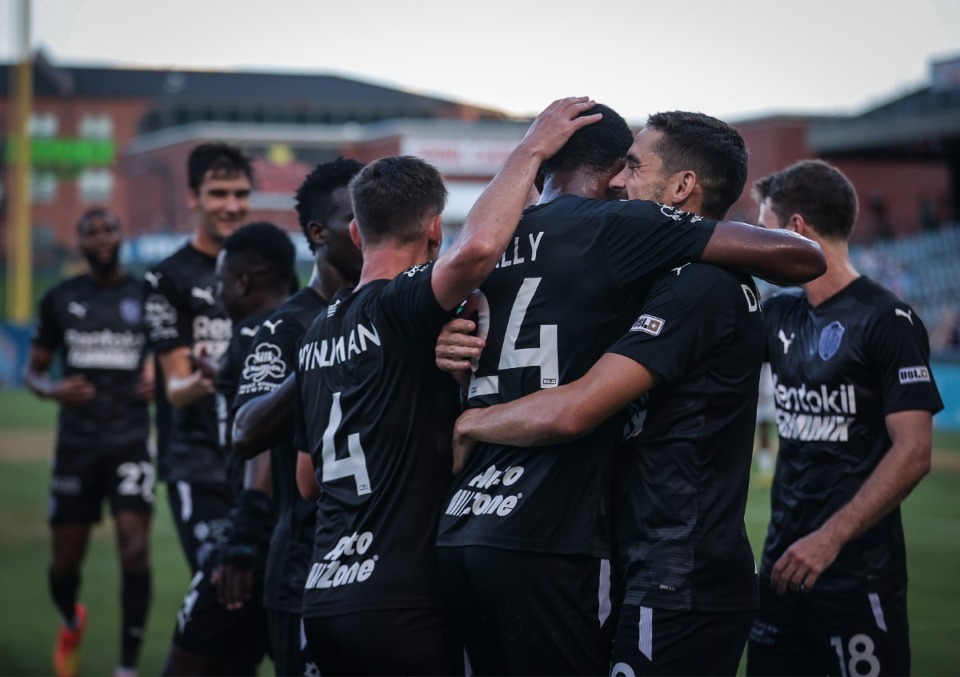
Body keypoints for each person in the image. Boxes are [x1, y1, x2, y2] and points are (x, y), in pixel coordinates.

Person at [439, 112, 782, 675]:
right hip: (629, 554)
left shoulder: (700, 283)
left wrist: (470, 420)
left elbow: (576, 409)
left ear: (681, 189)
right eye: (620, 165)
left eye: (634, 167)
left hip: (677, 567)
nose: (620, 182)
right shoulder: (637, 267)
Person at [291, 97, 606, 674]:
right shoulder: (403, 305)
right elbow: (480, 250)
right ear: (436, 230)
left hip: (324, 597)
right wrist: (531, 148)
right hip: (403, 595)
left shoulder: (316, 332)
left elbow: (307, 481)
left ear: (357, 233)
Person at [746, 160, 944, 676]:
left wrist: (829, 539)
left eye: (763, 225)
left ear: (795, 229)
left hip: (856, 575)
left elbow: (915, 451)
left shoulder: (887, 320)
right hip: (781, 572)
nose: (755, 240)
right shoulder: (778, 314)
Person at [230, 157, 364, 676]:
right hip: (305, 569)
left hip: (384, 570)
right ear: (318, 233)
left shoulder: (395, 311)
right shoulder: (285, 328)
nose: (369, 229)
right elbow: (245, 432)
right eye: (356, 217)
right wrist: (321, 354)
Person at [163, 221, 298, 676]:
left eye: (221, 282)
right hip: (303, 547)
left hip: (254, 549)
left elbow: (258, 446)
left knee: (187, 663)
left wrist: (241, 540)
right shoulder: (319, 323)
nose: (217, 294)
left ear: (241, 281)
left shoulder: (251, 334)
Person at [25, 208, 153, 677]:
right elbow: (33, 370)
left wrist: (157, 374)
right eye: (91, 232)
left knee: (135, 547)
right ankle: (69, 618)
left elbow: (169, 355)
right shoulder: (60, 298)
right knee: (64, 564)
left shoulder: (145, 296)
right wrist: (51, 389)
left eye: (108, 230)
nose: (101, 239)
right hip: (77, 444)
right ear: (79, 243)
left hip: (130, 439)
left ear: (122, 236)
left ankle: (127, 668)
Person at [143, 142, 252, 573]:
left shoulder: (261, 270)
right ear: (193, 198)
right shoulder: (167, 277)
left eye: (241, 194)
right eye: (219, 193)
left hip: (256, 457)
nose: (231, 205)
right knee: (219, 585)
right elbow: (176, 390)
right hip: (198, 461)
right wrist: (219, 372)